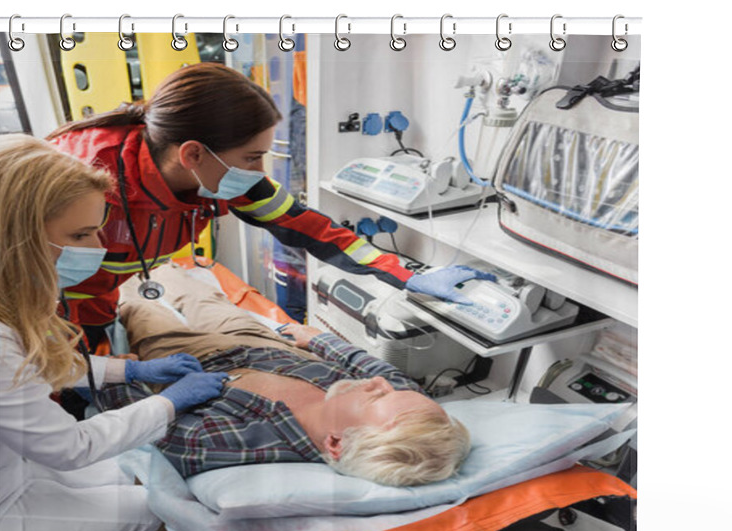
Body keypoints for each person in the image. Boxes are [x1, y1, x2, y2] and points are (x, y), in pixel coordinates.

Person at [47, 62, 494, 353]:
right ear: (193, 154)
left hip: (100, 304)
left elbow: (310, 228)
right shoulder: (80, 179)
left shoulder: (221, 177)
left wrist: (408, 275)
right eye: (252, 157)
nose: (259, 171)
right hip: (37, 308)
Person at [0, 135, 231, 531]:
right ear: (16, 237)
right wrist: (169, 403)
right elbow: (69, 447)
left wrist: (131, 373)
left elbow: (29, 372)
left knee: (134, 471)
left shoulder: (5, 305)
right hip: (3, 515)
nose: (98, 251)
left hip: (12, 474)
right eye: (80, 235)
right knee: (172, 503)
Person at [98, 262, 471, 487]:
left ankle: (131, 279)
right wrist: (320, 339)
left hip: (186, 362)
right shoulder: (404, 406)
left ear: (336, 444)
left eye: (377, 396)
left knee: (137, 300)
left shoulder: (238, 442)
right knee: (194, 290)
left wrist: (125, 374)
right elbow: (375, 368)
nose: (380, 383)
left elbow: (149, 422)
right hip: (262, 345)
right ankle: (163, 267)